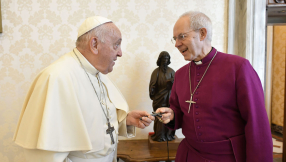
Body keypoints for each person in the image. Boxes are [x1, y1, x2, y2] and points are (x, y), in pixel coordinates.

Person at [13, 16, 155, 162]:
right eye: (116, 45)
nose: (120, 53)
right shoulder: (57, 78)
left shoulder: (96, 74)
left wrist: (124, 121)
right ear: (94, 44)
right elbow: (45, 155)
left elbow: (92, 125)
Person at [156, 11, 273, 162]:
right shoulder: (180, 75)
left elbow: (257, 124)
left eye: (182, 36)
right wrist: (171, 115)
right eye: (175, 39)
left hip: (228, 157)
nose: (177, 44)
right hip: (190, 155)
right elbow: (178, 111)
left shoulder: (238, 67)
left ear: (202, 33)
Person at [149, 51, 176, 142]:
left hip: (170, 98)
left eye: (167, 59)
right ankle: (159, 135)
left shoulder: (172, 71)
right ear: (160, 60)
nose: (165, 61)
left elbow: (177, 86)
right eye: (163, 59)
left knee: (169, 116)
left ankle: (169, 136)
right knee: (160, 116)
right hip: (159, 99)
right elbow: (152, 85)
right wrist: (152, 89)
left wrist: (172, 84)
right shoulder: (156, 72)